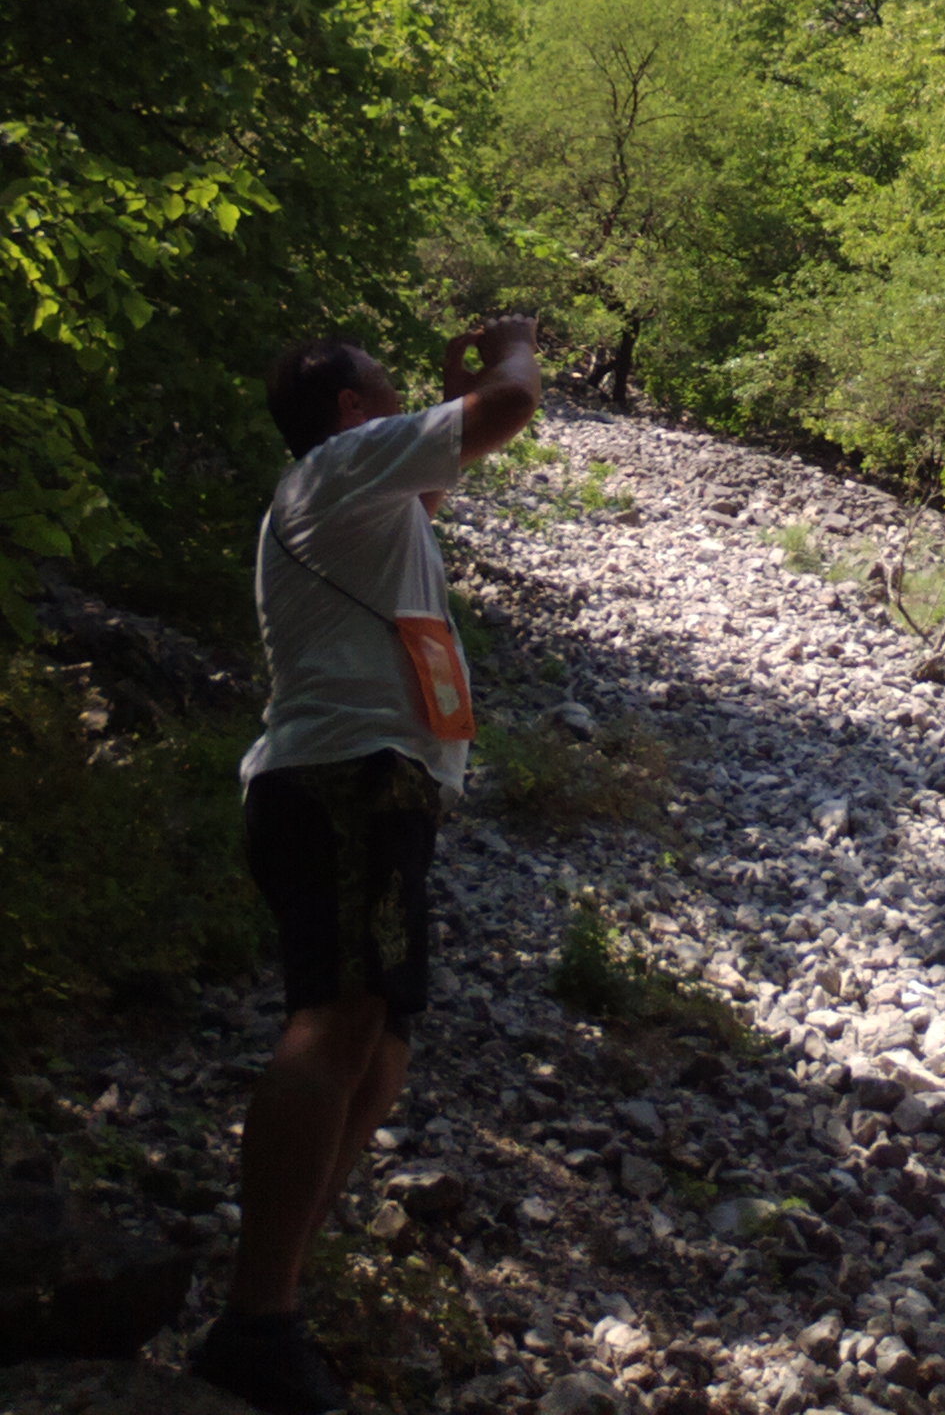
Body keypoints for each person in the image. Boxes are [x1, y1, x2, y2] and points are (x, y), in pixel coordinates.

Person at [192, 317, 541, 1415]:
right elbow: (510, 408)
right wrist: (514, 349)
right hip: (343, 776)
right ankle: (257, 1318)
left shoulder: (358, 492)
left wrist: (450, 386)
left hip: (375, 781)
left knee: (379, 1047)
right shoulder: (339, 465)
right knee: (339, 1022)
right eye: (389, 391)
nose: (406, 408)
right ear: (349, 411)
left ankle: (276, 1291)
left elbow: (433, 488)